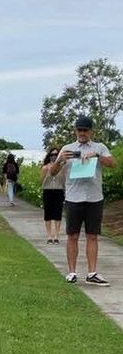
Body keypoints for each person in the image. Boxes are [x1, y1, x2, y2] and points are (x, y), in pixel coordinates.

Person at [51, 115, 116, 285]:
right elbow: (52, 172)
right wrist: (61, 160)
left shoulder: (99, 147)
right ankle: (72, 273)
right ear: (75, 131)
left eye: (85, 130)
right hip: (74, 197)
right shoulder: (68, 148)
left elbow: (112, 163)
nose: (82, 133)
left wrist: (97, 157)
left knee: (92, 235)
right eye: (79, 130)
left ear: (91, 131)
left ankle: (92, 272)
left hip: (94, 197)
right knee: (72, 235)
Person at [40, 147, 65, 244]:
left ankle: (56, 236)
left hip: (59, 190)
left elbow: (64, 179)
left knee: (58, 213)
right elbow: (41, 181)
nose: (54, 157)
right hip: (48, 190)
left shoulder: (62, 167)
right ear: (49, 156)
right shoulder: (45, 167)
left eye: (56, 154)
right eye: (52, 155)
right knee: (48, 214)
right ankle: (49, 235)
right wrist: (48, 172)